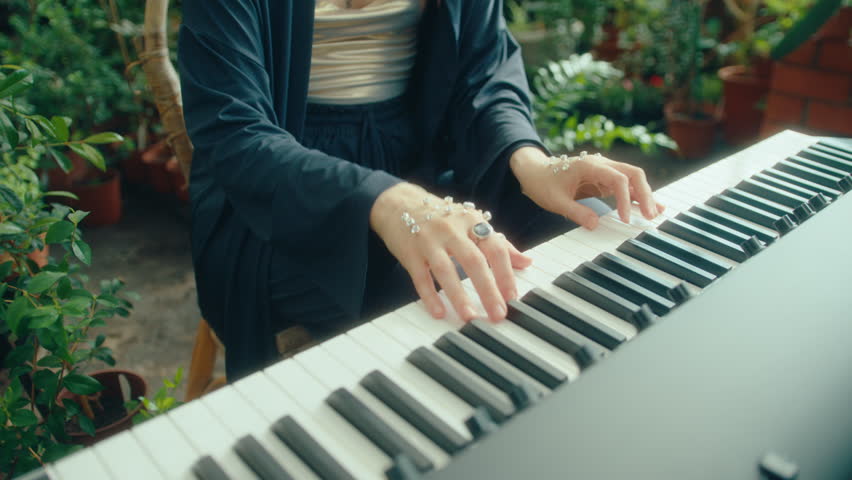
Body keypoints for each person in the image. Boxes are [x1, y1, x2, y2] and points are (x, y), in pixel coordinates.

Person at [178, 0, 665, 380]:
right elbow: (235, 132)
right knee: (452, 283)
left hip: (424, 170)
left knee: (586, 223)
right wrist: (382, 199)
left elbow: (486, 71)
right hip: (283, 200)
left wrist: (529, 159)